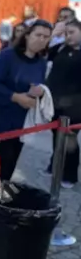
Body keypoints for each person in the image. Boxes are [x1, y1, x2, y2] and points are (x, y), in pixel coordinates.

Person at [0, 20, 52, 182]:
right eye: (38, 35)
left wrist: (39, 93)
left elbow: (38, 85)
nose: (41, 39)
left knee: (11, 162)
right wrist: (16, 97)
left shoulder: (41, 63)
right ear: (28, 35)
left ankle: (1, 194)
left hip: (22, 120)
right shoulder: (8, 55)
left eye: (46, 37)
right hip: (0, 115)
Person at [45, 19, 81, 188]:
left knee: (70, 140)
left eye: (72, 33)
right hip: (56, 101)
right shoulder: (60, 48)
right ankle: (55, 167)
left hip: (75, 105)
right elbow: (43, 53)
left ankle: (70, 174)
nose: (68, 37)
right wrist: (55, 35)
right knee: (56, 137)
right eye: (66, 33)